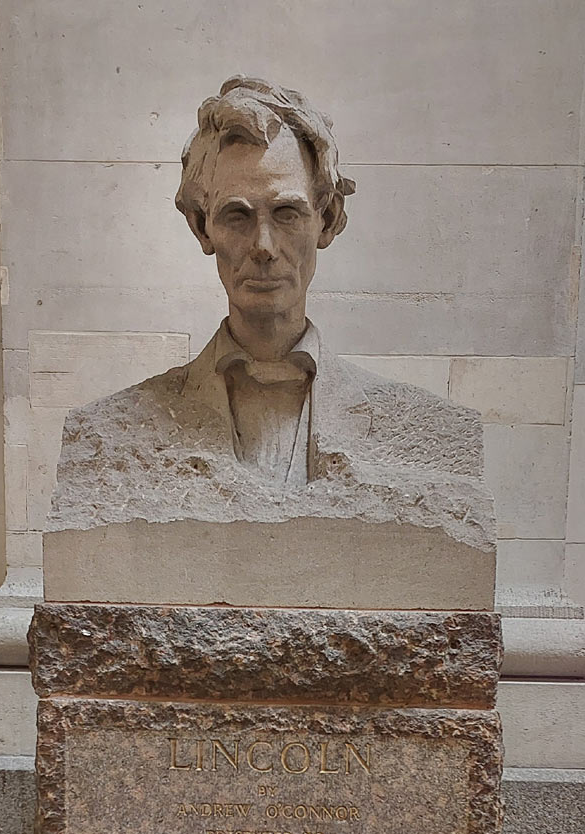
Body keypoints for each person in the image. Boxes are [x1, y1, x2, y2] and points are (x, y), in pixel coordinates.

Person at [50, 76, 486, 523]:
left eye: (287, 214)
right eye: (236, 215)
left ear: (329, 220)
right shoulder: (115, 434)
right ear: (202, 227)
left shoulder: (428, 433)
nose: (263, 245)